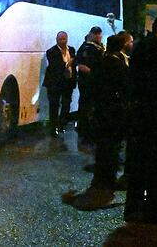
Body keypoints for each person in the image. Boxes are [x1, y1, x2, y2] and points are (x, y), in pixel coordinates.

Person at [63, 31, 133, 210]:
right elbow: (124, 85)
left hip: (104, 111)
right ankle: (106, 180)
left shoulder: (106, 61)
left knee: (105, 146)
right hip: (112, 112)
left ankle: (103, 178)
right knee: (110, 147)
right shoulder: (115, 63)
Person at [124, 12, 157, 225]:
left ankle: (134, 208)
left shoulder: (142, 45)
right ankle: (155, 209)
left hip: (140, 113)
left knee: (138, 163)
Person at [43, 31, 77, 136]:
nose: (63, 41)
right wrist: (67, 64)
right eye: (61, 39)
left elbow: (75, 63)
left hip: (68, 82)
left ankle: (62, 124)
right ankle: (54, 127)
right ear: (57, 40)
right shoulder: (51, 51)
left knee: (66, 104)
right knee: (54, 105)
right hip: (55, 83)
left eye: (64, 39)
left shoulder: (71, 50)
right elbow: (55, 65)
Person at [76, 26, 105, 140]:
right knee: (87, 106)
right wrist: (95, 75)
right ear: (91, 35)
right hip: (88, 82)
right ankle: (85, 130)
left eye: (99, 34)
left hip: (94, 81)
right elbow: (82, 66)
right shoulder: (87, 48)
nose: (98, 36)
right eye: (96, 34)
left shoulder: (97, 47)